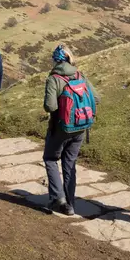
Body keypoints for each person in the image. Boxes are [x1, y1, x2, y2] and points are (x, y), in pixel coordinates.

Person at [42, 44, 98, 216]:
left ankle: (58, 198)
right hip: (81, 128)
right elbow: (96, 98)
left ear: (55, 60)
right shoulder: (80, 75)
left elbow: (50, 106)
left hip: (61, 128)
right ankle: (70, 205)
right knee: (70, 163)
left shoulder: (54, 79)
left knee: (50, 158)